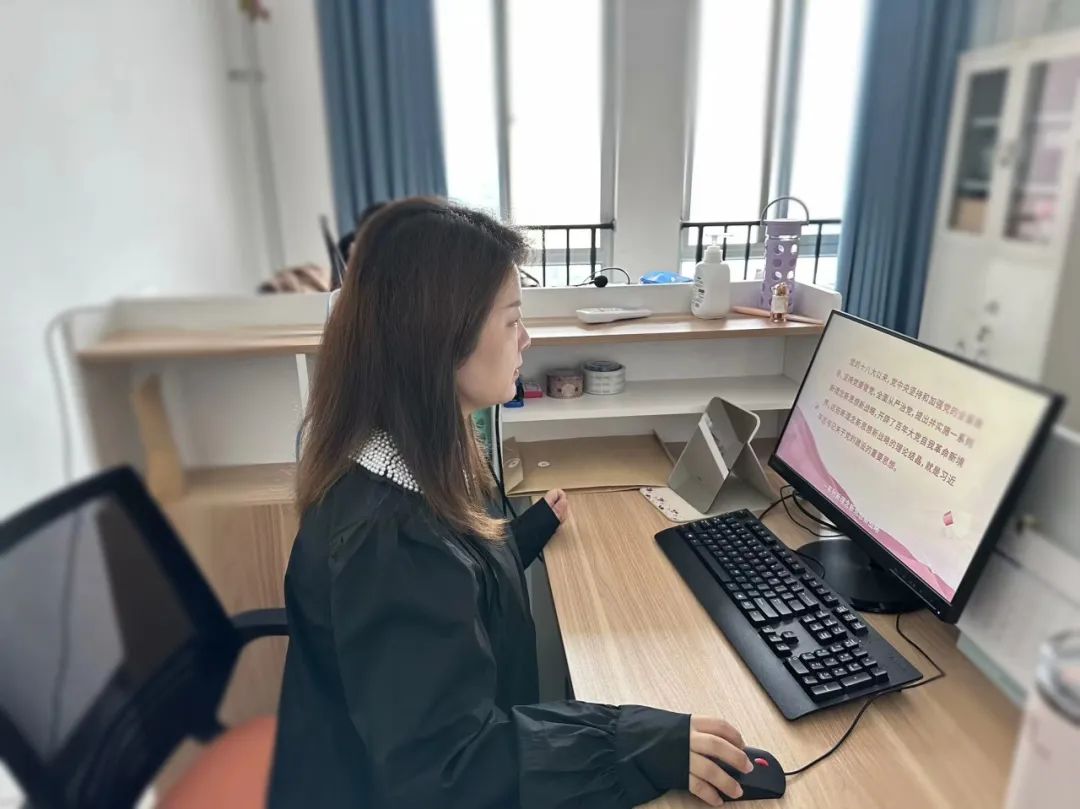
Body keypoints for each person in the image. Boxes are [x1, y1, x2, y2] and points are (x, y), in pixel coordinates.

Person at [269, 197, 753, 808]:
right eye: (511, 319)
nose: (526, 338)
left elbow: (451, 581)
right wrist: (636, 742)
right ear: (441, 338)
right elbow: (451, 771)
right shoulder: (387, 540)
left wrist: (526, 533)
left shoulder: (411, 455)